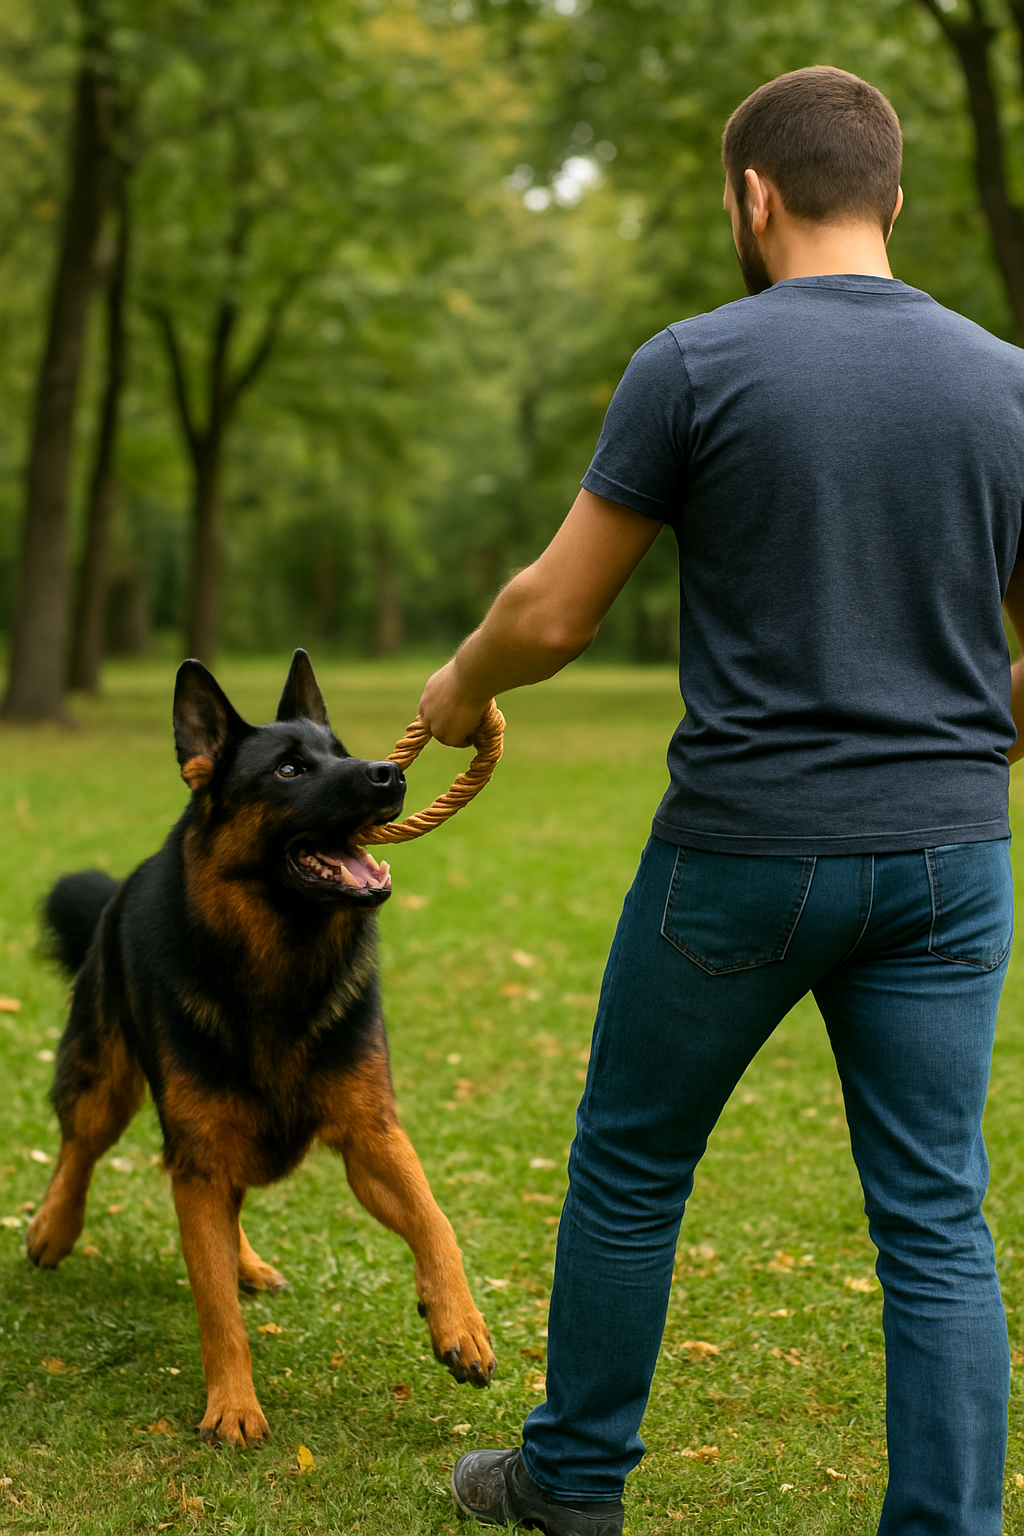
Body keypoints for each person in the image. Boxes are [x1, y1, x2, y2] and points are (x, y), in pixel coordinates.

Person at [419, 65, 1024, 1536]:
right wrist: (958, 757)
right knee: (937, 1218)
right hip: (951, 862)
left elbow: (554, 615)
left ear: (754, 197)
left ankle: (570, 1484)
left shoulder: (693, 364)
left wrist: (458, 684)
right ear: (893, 193)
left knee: (632, 1165)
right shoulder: (1011, 381)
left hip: (743, 857)